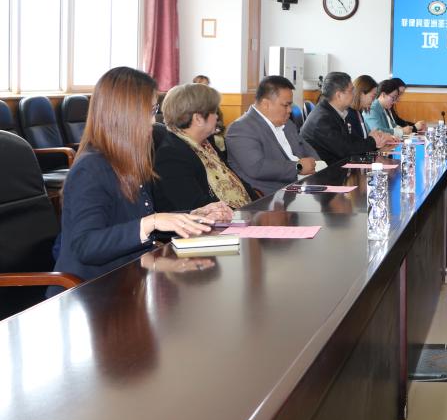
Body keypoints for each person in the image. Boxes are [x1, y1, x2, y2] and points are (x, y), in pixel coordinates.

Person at [51, 67, 232, 287]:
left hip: (128, 279)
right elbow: (86, 246)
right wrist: (151, 222)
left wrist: (191, 216)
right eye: (149, 111)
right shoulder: (90, 169)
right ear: (124, 114)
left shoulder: (129, 160)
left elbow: (133, 226)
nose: (153, 121)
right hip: (89, 290)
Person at [153, 83, 254, 211]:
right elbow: (198, 206)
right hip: (216, 221)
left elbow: (236, 182)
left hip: (240, 216)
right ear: (198, 119)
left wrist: (258, 207)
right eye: (214, 112)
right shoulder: (171, 155)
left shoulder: (206, 143)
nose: (217, 117)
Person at [225, 75, 319, 195]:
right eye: (285, 105)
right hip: (271, 196)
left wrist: (319, 166)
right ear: (266, 104)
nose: (290, 110)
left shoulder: (287, 124)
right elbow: (257, 167)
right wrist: (298, 167)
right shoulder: (241, 129)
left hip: (303, 186)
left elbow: (306, 149)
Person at [301, 72, 393, 164]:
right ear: (339, 95)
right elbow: (345, 150)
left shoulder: (333, 112)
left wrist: (375, 143)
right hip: (326, 169)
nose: (354, 94)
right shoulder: (322, 119)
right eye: (351, 91)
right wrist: (373, 141)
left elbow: (351, 142)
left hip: (337, 164)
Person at [352, 75, 400, 148]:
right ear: (361, 94)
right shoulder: (351, 114)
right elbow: (355, 145)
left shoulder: (358, 112)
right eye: (372, 97)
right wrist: (374, 139)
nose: (373, 100)